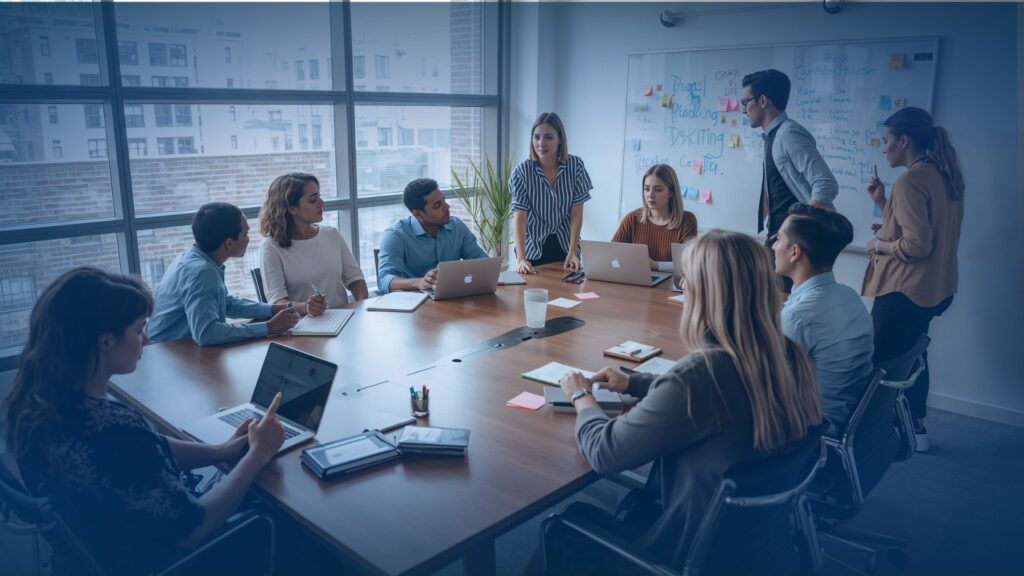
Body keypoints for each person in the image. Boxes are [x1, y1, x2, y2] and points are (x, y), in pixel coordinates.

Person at [552, 229, 823, 571]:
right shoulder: (790, 356)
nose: (681, 285)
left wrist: (580, 395)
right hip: (757, 551)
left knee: (565, 523)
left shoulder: (702, 376)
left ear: (706, 294)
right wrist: (636, 382)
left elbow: (605, 452)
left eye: (686, 280)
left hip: (684, 556)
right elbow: (723, 400)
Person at [2, 268, 285, 575]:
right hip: (171, 561)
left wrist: (220, 452)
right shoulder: (115, 430)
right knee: (279, 515)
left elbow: (146, 448)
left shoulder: (37, 404)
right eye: (139, 330)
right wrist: (257, 455)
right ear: (106, 341)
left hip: (102, 545)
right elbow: (194, 529)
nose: (146, 341)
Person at [862, 107, 964, 452]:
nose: (884, 148)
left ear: (904, 140)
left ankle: (872, 435)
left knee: (880, 364)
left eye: (886, 140)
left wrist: (878, 244)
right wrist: (884, 205)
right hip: (934, 289)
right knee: (913, 356)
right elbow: (927, 229)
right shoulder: (943, 173)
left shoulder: (910, 181)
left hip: (904, 292)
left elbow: (918, 245)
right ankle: (916, 427)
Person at [773, 203, 874, 436]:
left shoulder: (798, 317)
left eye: (777, 239)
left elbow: (768, 383)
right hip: (850, 416)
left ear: (795, 252)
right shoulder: (849, 296)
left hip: (811, 429)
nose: (773, 246)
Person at [148, 202, 301, 346]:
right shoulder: (202, 272)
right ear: (229, 243)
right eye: (245, 233)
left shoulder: (191, 258)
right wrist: (269, 327)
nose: (249, 239)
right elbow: (207, 333)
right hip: (168, 353)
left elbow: (226, 303)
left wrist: (273, 309)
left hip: (177, 349)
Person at [742, 69, 838, 241]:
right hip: (781, 237)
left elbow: (826, 185)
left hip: (798, 240)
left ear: (762, 101)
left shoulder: (788, 134)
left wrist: (796, 226)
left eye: (745, 102)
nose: (743, 110)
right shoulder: (772, 136)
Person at [259, 172, 368, 313]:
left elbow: (355, 279)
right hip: (301, 323)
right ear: (292, 208)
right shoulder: (271, 248)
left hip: (343, 318)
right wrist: (306, 308)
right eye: (313, 200)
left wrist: (362, 308)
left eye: (319, 197)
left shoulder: (332, 234)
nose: (322, 203)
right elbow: (278, 302)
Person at [509, 112, 592, 274]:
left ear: (559, 139)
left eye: (548, 137)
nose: (541, 143)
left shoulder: (576, 166)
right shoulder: (521, 172)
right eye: (537, 137)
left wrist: (573, 251)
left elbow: (576, 213)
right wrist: (521, 259)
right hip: (532, 249)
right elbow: (520, 219)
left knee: (569, 288)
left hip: (566, 248)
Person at [377, 178, 488, 294]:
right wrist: (419, 282)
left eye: (444, 200)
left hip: (452, 296)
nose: (447, 207)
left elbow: (481, 260)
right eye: (437, 205)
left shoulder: (457, 226)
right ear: (418, 214)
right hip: (415, 300)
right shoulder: (396, 235)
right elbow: (384, 279)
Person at [611, 163, 698, 271]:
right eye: (647, 189)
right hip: (636, 279)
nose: (650, 195)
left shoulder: (687, 221)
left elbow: (689, 264)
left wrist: (656, 265)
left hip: (671, 281)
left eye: (658, 190)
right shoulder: (632, 219)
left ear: (671, 192)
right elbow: (611, 255)